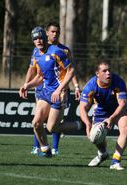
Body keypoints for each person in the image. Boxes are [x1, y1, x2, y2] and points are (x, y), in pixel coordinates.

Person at [19, 26, 81, 158]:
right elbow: (40, 77)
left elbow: (71, 71)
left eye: (40, 38)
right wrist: (26, 85)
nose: (38, 41)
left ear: (45, 38)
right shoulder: (36, 53)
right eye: (35, 39)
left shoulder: (57, 51)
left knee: (51, 128)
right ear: (33, 41)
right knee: (36, 123)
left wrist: (60, 89)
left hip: (59, 93)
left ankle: (77, 124)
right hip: (46, 92)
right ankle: (45, 149)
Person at [79, 59, 127, 170]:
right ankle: (103, 153)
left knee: (125, 126)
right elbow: (82, 107)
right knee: (94, 138)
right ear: (97, 74)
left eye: (109, 70)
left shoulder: (118, 82)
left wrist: (111, 118)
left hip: (118, 109)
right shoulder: (91, 86)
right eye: (104, 71)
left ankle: (115, 161)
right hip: (101, 111)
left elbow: (122, 104)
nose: (108, 73)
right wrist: (88, 125)